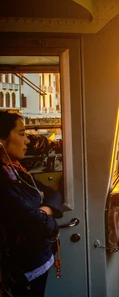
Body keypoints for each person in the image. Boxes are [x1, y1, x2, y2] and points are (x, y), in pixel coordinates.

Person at [0, 110, 63, 296]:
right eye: (21, 134)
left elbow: (52, 193)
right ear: (1, 139)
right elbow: (37, 224)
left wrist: (43, 211)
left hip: (37, 264)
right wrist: (49, 220)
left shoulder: (16, 170)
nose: (27, 140)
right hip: (20, 272)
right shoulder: (3, 181)